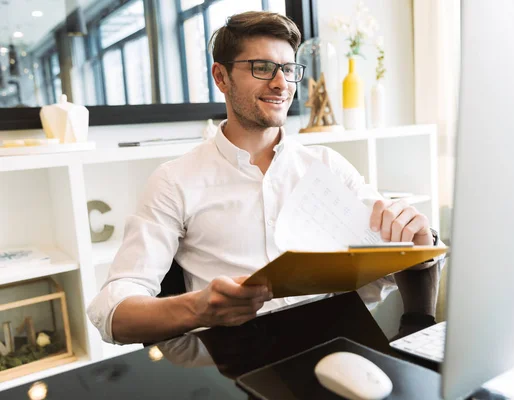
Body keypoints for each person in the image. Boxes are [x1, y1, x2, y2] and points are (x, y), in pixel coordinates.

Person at [87, 11, 443, 345]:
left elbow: (379, 267)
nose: (280, 83)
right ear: (221, 77)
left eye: (288, 70)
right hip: (237, 359)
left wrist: (418, 242)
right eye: (262, 68)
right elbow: (111, 311)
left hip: (337, 343)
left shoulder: (326, 166)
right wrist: (196, 307)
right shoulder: (174, 181)